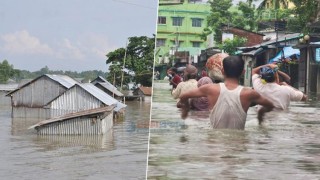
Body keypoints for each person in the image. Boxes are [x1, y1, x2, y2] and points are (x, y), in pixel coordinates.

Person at [178, 56, 274, 129]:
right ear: (243, 72)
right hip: (239, 145)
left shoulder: (210, 89)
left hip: (214, 145)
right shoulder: (250, 93)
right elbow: (270, 105)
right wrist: (261, 114)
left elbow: (183, 96)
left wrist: (185, 112)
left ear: (222, 71)